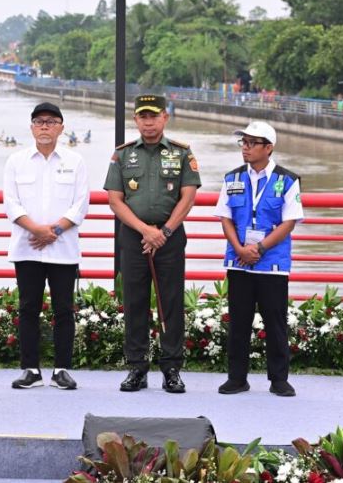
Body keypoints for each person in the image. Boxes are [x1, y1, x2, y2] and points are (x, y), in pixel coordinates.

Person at [104, 94, 200, 394]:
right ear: (136, 120)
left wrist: (164, 232)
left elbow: (188, 197)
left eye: (154, 116)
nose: (148, 122)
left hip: (169, 239)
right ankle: (136, 368)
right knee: (134, 302)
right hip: (134, 238)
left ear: (165, 118)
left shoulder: (182, 154)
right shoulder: (122, 155)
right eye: (143, 116)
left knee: (170, 303)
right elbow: (115, 201)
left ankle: (171, 369)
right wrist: (146, 230)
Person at [2, 102, 89, 390]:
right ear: (31, 127)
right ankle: (30, 370)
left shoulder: (75, 161)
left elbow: (81, 204)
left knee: (64, 309)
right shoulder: (16, 161)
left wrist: (53, 230)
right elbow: (11, 202)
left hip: (62, 248)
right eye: (39, 121)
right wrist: (36, 229)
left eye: (51, 122)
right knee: (28, 308)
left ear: (61, 128)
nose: (44, 126)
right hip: (27, 246)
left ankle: (61, 369)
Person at [213, 121, 303, 397]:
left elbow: (289, 222)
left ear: (269, 147)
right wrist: (240, 249)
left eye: (252, 143)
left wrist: (260, 249)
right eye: (243, 142)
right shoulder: (232, 178)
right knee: (238, 321)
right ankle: (237, 378)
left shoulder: (287, 180)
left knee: (275, 322)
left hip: (272, 264)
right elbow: (225, 217)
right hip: (239, 261)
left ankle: (279, 380)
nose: (246, 148)